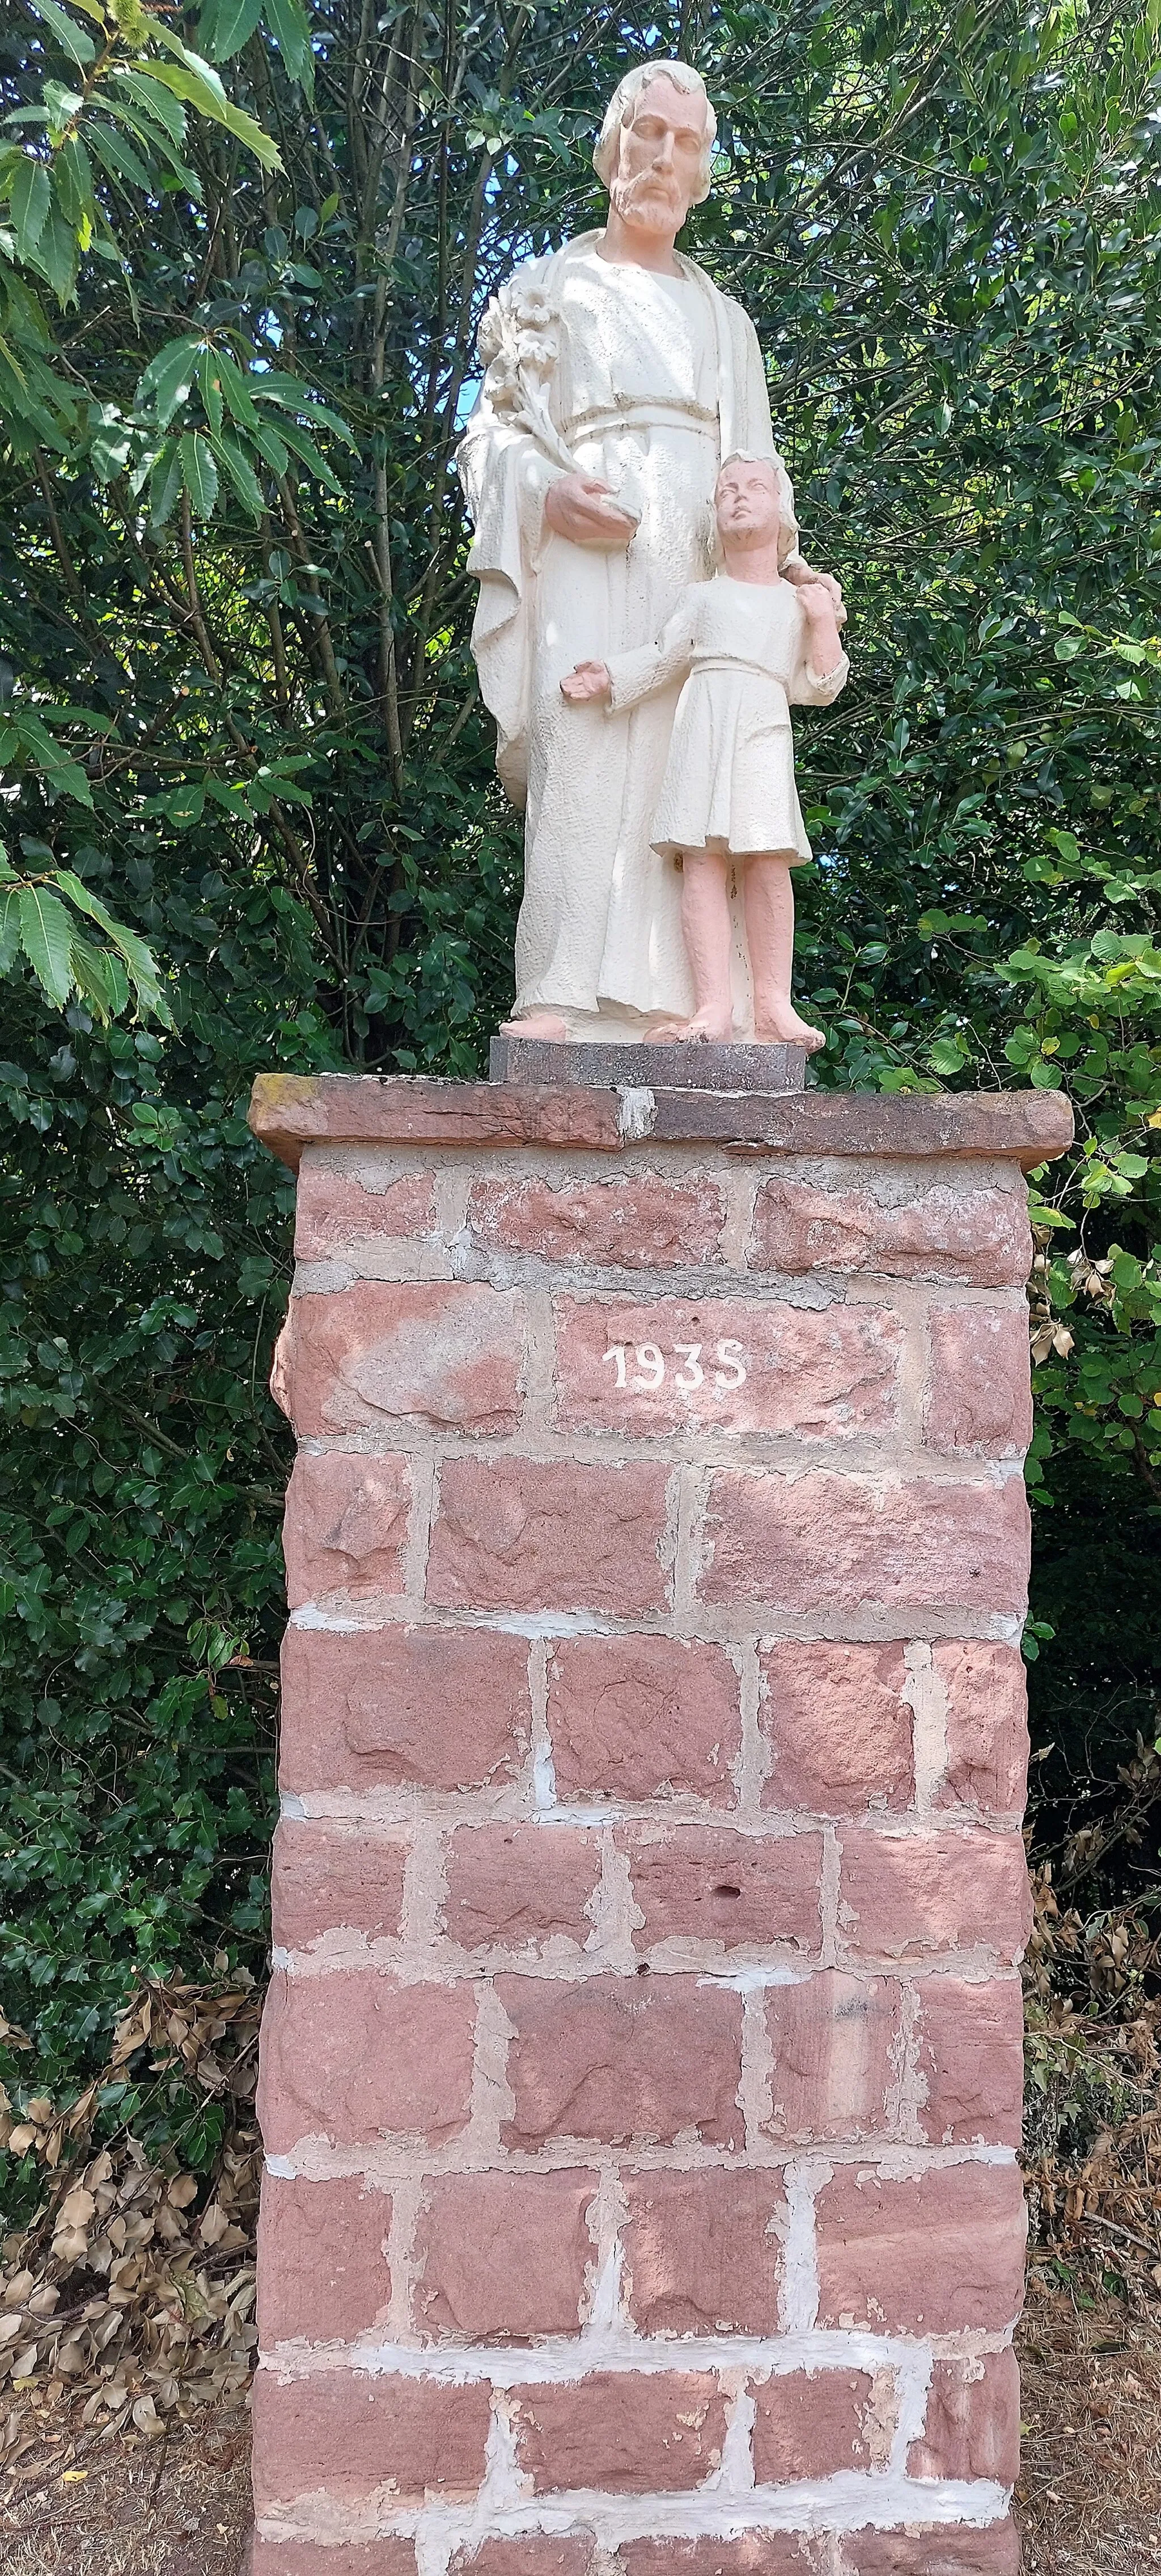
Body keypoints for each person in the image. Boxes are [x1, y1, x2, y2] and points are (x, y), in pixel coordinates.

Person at [457, 60, 843, 1042]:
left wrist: (790, 585)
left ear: (702, 169)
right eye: (647, 132)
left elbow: (757, 471)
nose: (662, 156)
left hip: (700, 565)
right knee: (581, 742)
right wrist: (545, 495)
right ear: (610, 146)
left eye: (684, 141)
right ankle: (557, 992)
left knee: (705, 777)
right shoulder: (546, 289)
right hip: (582, 555)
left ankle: (703, 1008)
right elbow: (488, 438)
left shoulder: (724, 321)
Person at [561, 454, 849, 1049]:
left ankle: (771, 1004)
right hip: (705, 724)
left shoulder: (795, 604)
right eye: (725, 492)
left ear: (782, 509)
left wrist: (822, 623)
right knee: (702, 857)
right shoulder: (702, 595)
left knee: (768, 860)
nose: (738, 499)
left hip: (761, 728)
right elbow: (665, 655)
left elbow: (818, 686)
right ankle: (714, 1006)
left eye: (753, 489)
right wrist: (610, 675)